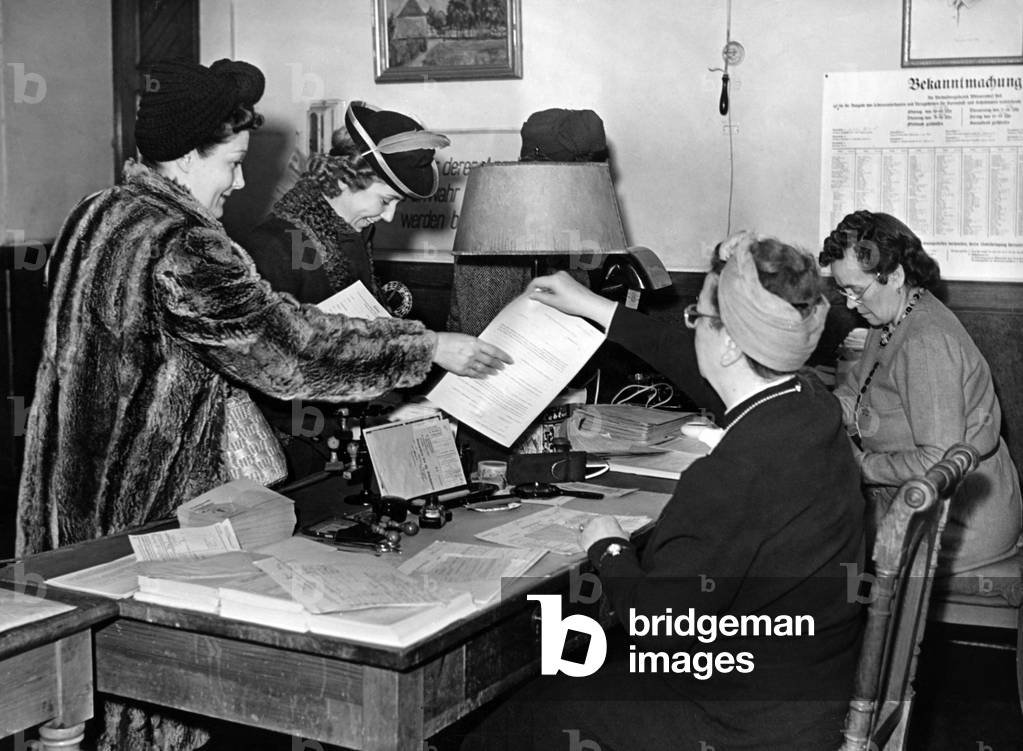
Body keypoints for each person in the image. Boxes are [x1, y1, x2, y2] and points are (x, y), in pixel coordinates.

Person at [15, 59, 510, 751]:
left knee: (71, 696)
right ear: (188, 157)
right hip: (144, 505)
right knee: (152, 701)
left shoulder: (95, 213)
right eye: (233, 163)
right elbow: (287, 350)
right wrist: (424, 346)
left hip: (66, 502)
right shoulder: (183, 240)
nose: (242, 182)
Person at [461, 232, 865, 750]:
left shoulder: (732, 473)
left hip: (739, 724)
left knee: (503, 724)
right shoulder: (810, 404)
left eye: (694, 317)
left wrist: (608, 546)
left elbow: (657, 625)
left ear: (729, 343)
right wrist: (595, 308)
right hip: (806, 687)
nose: (688, 328)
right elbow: (697, 362)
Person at [242, 102, 451, 478]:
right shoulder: (274, 247)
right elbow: (266, 381)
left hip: (344, 440)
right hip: (294, 457)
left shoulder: (349, 237)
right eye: (386, 200)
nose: (388, 217)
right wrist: (364, 423)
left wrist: (386, 411)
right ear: (344, 178)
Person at [820, 210, 1022, 574]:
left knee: (814, 547)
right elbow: (856, 393)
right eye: (843, 290)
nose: (850, 303)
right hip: (914, 499)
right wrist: (811, 414)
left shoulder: (926, 342)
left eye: (857, 290)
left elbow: (936, 460)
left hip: (959, 517)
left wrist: (862, 467)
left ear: (895, 275)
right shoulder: (891, 317)